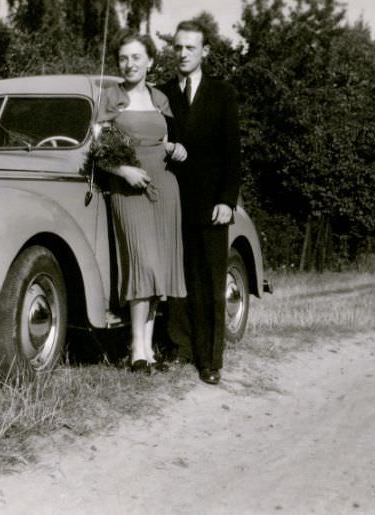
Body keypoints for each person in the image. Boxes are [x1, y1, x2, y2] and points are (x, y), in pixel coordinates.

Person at [97, 31, 187, 374]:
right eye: (123, 58)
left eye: (136, 57)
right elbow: (98, 151)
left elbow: (161, 142)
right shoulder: (111, 97)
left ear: (150, 61)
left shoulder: (160, 98)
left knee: (157, 270)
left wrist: (175, 149)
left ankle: (148, 352)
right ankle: (136, 347)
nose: (129, 64)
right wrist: (124, 171)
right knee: (143, 265)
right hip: (128, 189)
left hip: (164, 187)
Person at [158, 21, 243, 385]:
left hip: (211, 206)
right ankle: (182, 348)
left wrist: (227, 200)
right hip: (172, 202)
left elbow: (233, 155)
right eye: (178, 47)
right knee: (179, 279)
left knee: (209, 282)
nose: (182, 54)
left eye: (190, 48)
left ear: (205, 51)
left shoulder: (223, 94)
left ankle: (210, 360)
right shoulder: (161, 95)